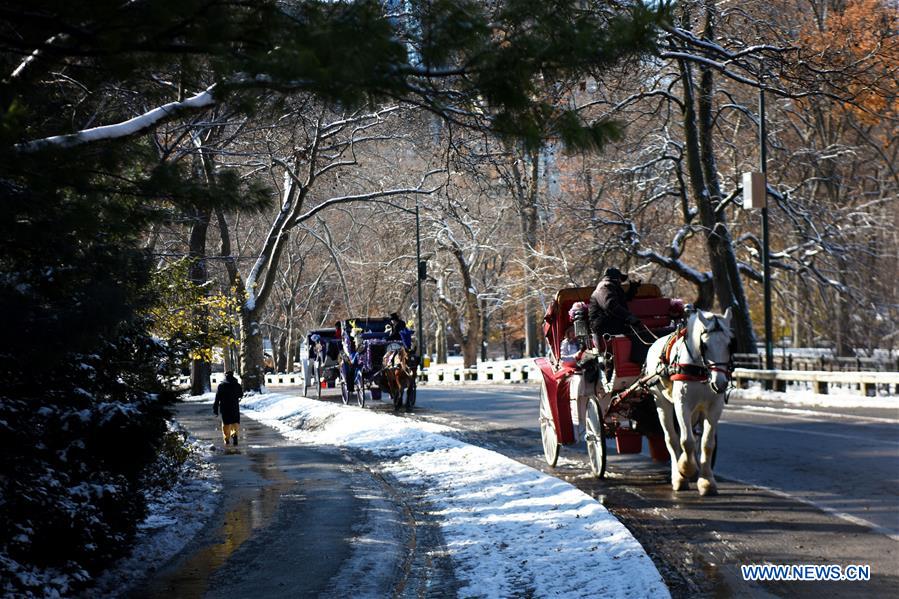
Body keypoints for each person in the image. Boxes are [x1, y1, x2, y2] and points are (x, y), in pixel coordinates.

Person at [588, 267, 647, 363]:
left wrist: (632, 290)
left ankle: (639, 358)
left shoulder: (612, 287)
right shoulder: (604, 287)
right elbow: (611, 305)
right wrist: (629, 317)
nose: (621, 282)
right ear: (616, 278)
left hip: (612, 321)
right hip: (604, 324)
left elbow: (621, 301)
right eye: (620, 279)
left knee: (639, 331)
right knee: (635, 334)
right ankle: (636, 360)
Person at [213, 371, 243, 446]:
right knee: (235, 422)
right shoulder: (237, 385)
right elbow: (240, 394)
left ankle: (226, 439)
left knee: (226, 424)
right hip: (234, 407)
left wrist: (215, 409)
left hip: (225, 407)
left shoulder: (221, 386)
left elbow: (217, 398)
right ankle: (234, 434)